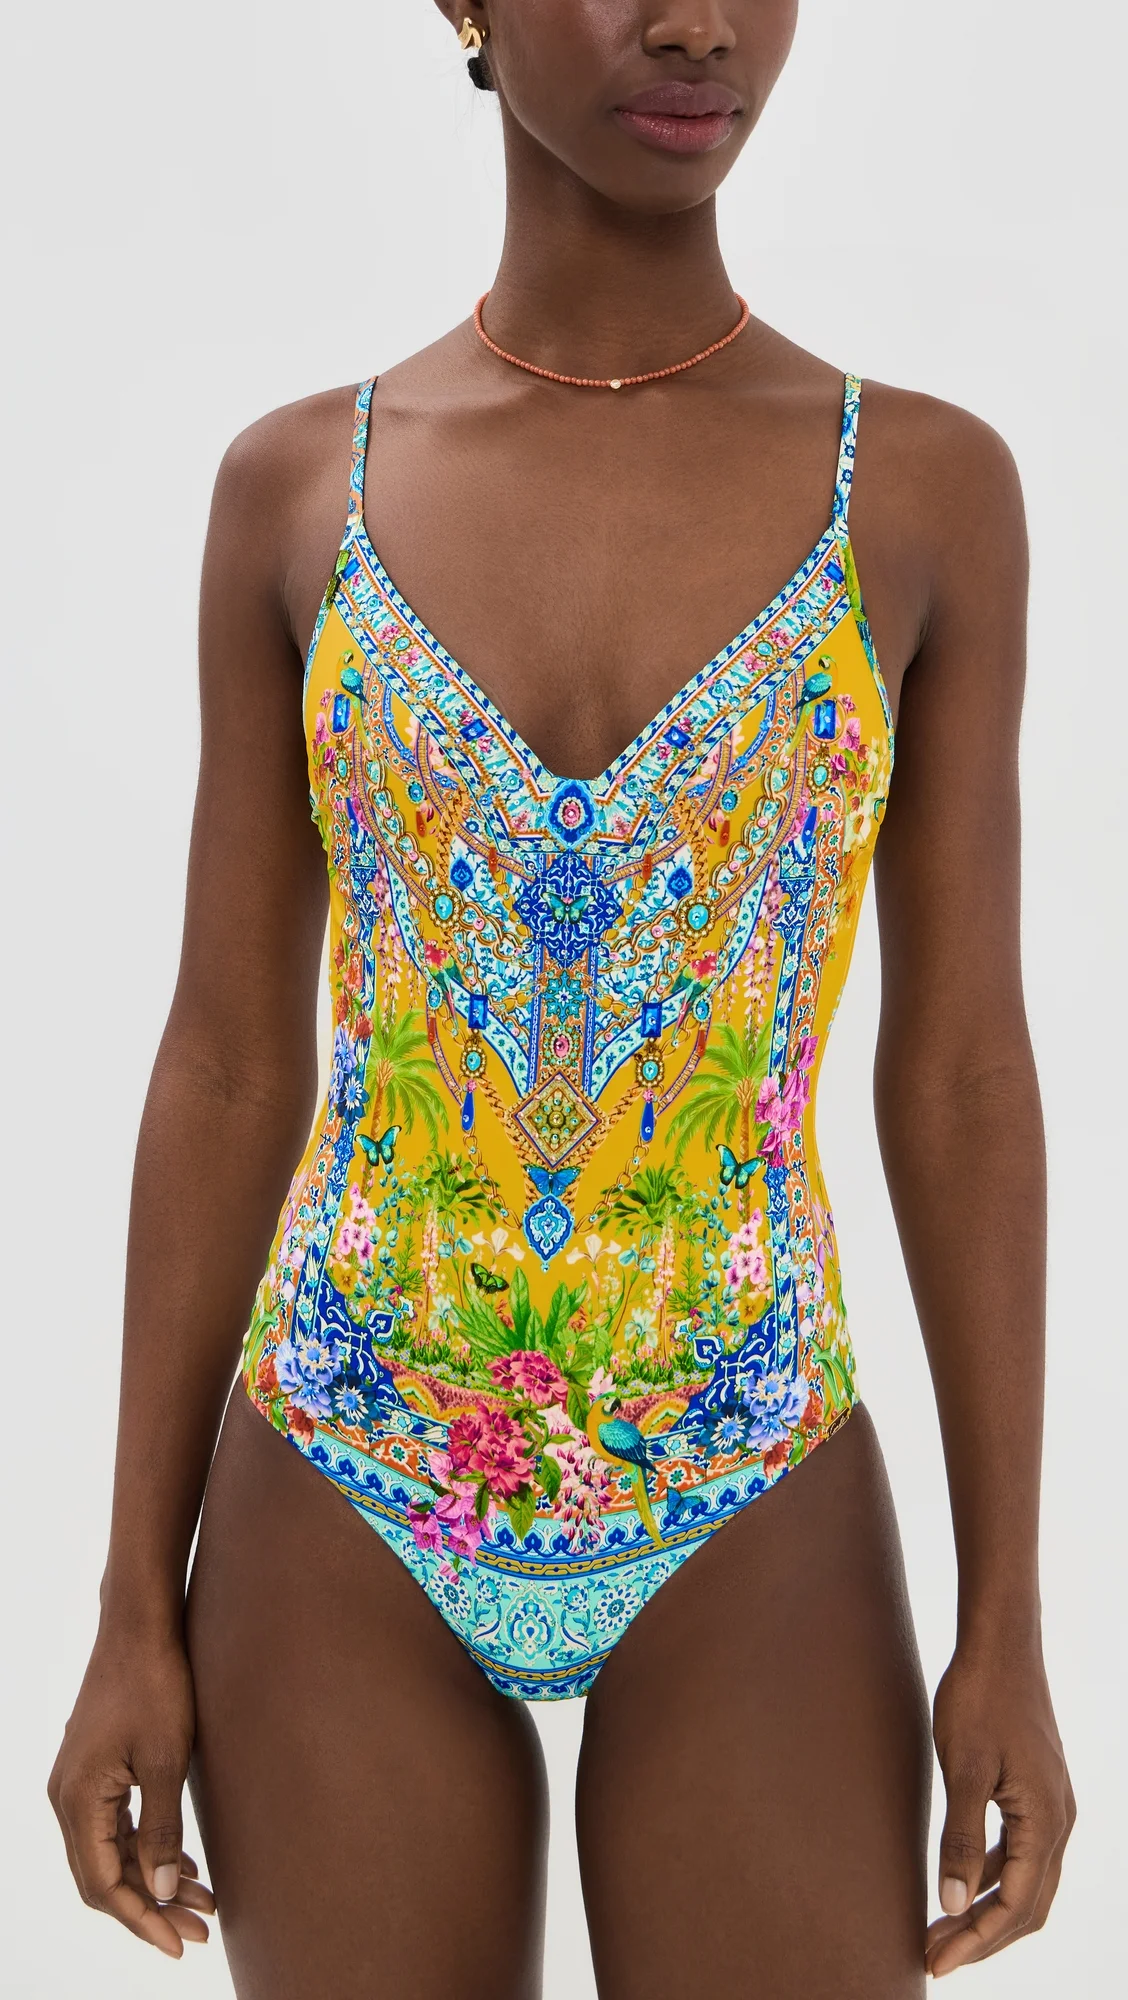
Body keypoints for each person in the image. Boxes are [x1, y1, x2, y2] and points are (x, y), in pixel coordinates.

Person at [48, 3, 1074, 1993]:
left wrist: (1011, 1617)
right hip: (343, 1466)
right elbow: (230, 1061)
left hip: (749, 1469)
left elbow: (959, 1076)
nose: (697, 20)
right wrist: (126, 1605)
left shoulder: (922, 490)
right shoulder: (300, 491)